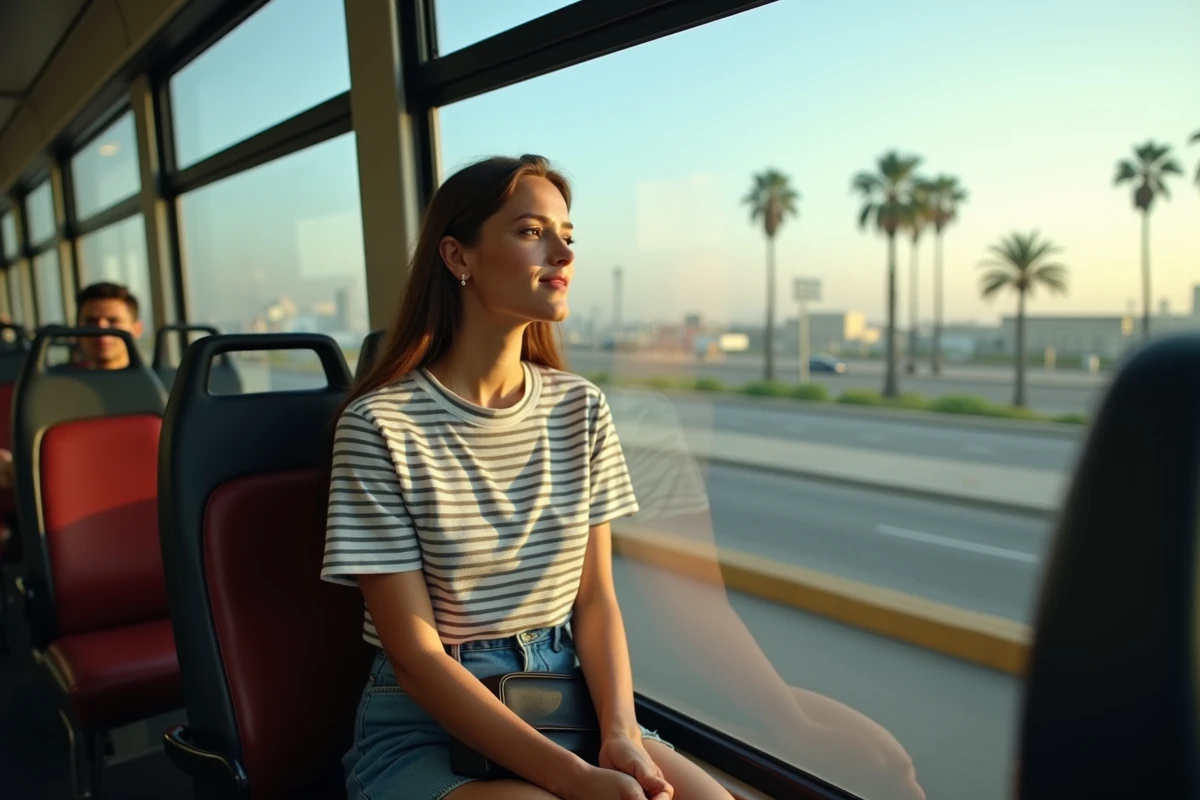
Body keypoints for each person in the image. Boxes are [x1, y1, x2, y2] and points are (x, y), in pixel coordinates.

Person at [321, 155, 733, 800]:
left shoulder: (581, 407)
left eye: (568, 234)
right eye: (531, 231)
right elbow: (415, 655)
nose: (563, 252)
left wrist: (619, 733)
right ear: (459, 257)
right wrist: (574, 779)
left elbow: (594, 601)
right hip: (431, 724)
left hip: (566, 698)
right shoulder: (380, 426)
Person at [0, 281, 142, 490]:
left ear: (136, 329)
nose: (101, 329)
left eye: (113, 321)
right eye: (91, 321)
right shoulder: (52, 388)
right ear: (78, 329)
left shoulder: (163, 391)